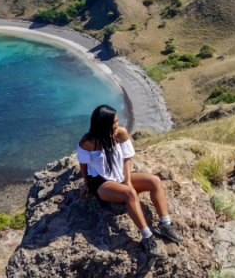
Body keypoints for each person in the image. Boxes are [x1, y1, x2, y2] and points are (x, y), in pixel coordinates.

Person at [76, 105, 183, 256]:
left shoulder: (120, 133)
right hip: (101, 182)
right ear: (101, 125)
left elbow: (127, 158)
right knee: (130, 194)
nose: (116, 126)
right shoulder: (87, 143)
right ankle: (147, 237)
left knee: (155, 181)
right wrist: (86, 183)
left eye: (116, 122)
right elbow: (83, 164)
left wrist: (127, 180)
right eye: (111, 124)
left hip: (120, 176)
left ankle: (166, 225)